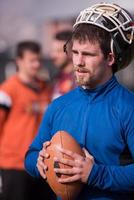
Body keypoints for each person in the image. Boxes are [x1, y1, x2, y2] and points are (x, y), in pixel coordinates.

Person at [25, 3, 134, 200]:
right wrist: (38, 162)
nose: (78, 62)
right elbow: (30, 155)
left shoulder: (128, 108)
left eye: (88, 54)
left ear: (110, 58)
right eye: (75, 52)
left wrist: (94, 174)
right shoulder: (58, 106)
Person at [0, 41, 55, 200]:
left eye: (38, 60)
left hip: (42, 164)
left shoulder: (46, 88)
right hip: (14, 165)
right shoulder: (7, 90)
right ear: (19, 61)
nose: (36, 65)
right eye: (31, 60)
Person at [50, 30, 76, 100]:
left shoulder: (80, 81)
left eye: (59, 51)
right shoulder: (54, 79)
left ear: (72, 52)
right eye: (53, 51)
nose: (53, 56)